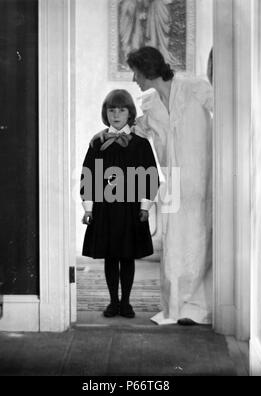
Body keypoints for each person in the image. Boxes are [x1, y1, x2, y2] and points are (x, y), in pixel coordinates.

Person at [91, 47, 213, 325]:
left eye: (135, 71)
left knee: (203, 243)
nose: (134, 78)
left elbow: (230, 116)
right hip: (174, 186)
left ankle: (200, 307)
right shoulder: (150, 105)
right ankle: (177, 308)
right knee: (174, 247)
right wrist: (104, 134)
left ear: (147, 69)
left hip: (205, 180)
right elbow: (131, 130)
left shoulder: (195, 88)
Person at [81, 89, 159, 319]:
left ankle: (126, 302)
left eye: (121, 110)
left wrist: (145, 207)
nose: (116, 115)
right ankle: (113, 302)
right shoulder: (97, 143)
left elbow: (150, 177)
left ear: (129, 113)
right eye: (111, 110)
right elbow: (88, 177)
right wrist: (89, 208)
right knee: (110, 256)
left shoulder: (141, 144)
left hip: (130, 209)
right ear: (106, 113)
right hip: (105, 209)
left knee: (127, 255)